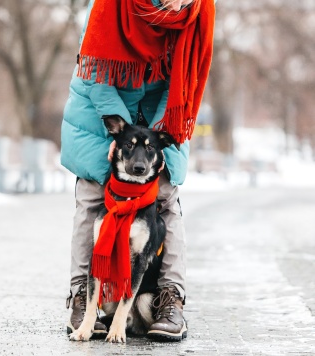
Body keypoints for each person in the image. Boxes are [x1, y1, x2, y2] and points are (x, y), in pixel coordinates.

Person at [61, 0, 215, 341]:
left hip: (164, 118)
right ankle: (80, 296)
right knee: (91, 199)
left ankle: (169, 299)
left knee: (166, 202)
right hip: (101, 114)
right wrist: (124, 136)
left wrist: (156, 140)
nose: (176, 6)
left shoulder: (196, 13)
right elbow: (96, 76)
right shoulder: (108, 7)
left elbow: (183, 80)